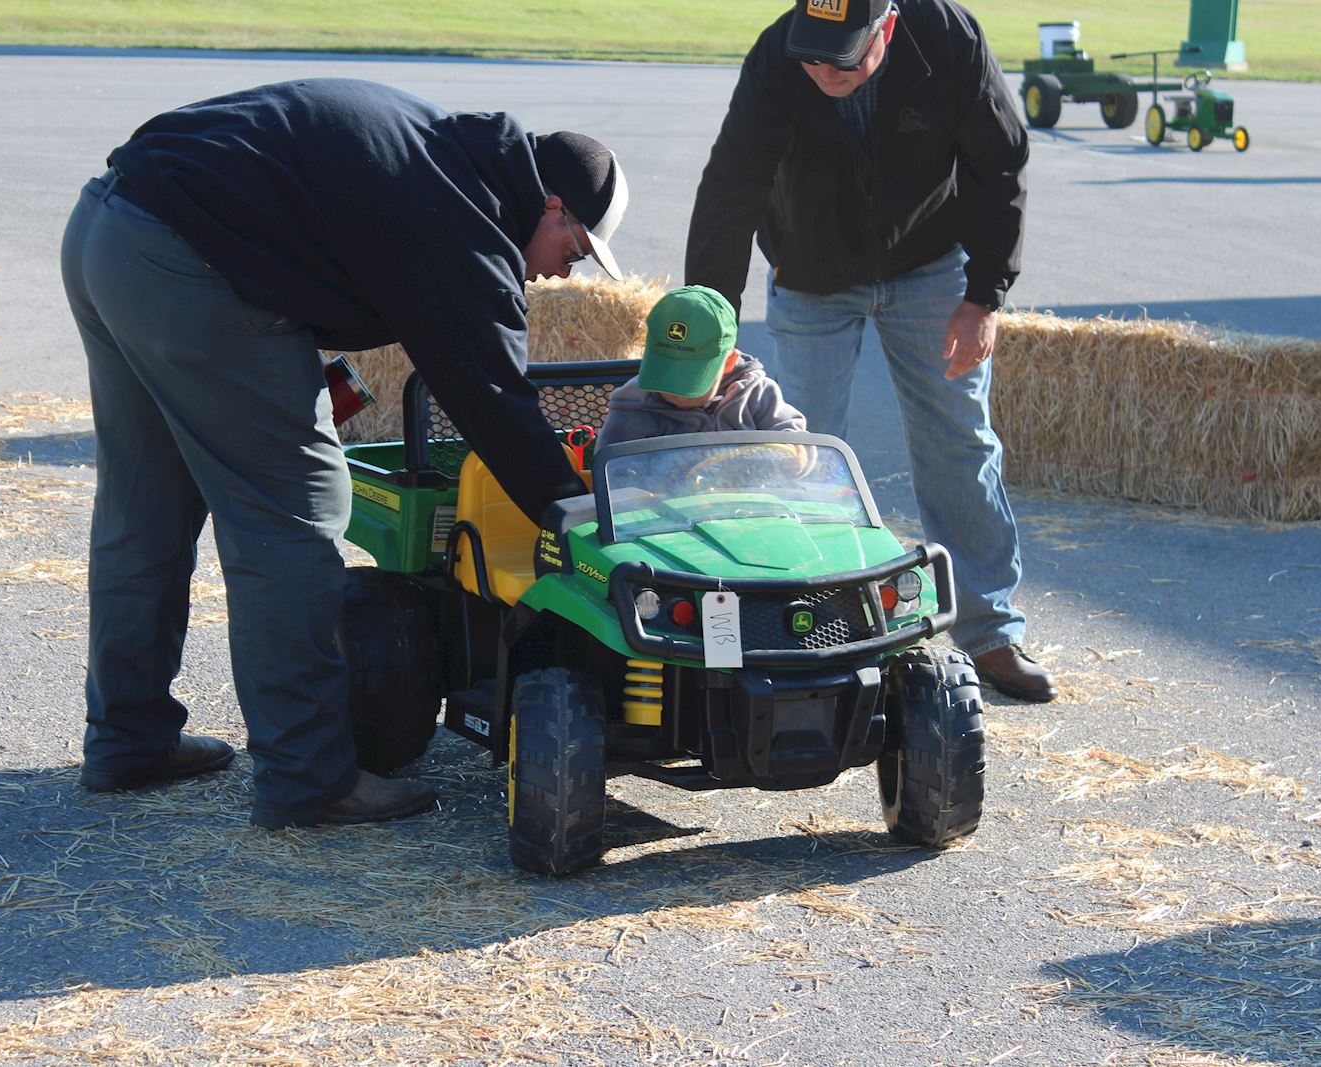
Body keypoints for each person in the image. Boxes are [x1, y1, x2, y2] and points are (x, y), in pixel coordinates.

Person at [59, 77, 629, 827]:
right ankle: (308, 775)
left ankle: (128, 739)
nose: (563, 271)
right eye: (576, 248)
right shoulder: (464, 221)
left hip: (109, 230)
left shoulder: (443, 156)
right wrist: (577, 514)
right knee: (295, 514)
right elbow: (496, 403)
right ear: (550, 204)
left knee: (146, 505)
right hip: (186, 264)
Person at [684, 0, 1057, 702]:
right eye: (814, 55)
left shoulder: (947, 38)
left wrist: (984, 296)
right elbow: (731, 186)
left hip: (928, 263)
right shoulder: (778, 56)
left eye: (843, 57)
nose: (824, 69)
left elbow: (998, 162)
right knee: (799, 451)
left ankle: (991, 632)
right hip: (812, 271)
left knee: (959, 439)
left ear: (885, 29)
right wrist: (714, 329)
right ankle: (802, 631)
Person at [597, 284, 806, 450]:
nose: (675, 392)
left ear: (729, 362)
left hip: (749, 499)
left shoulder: (756, 395)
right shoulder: (636, 406)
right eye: (665, 375)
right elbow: (611, 468)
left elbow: (791, 433)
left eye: (690, 381)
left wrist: (795, 452)